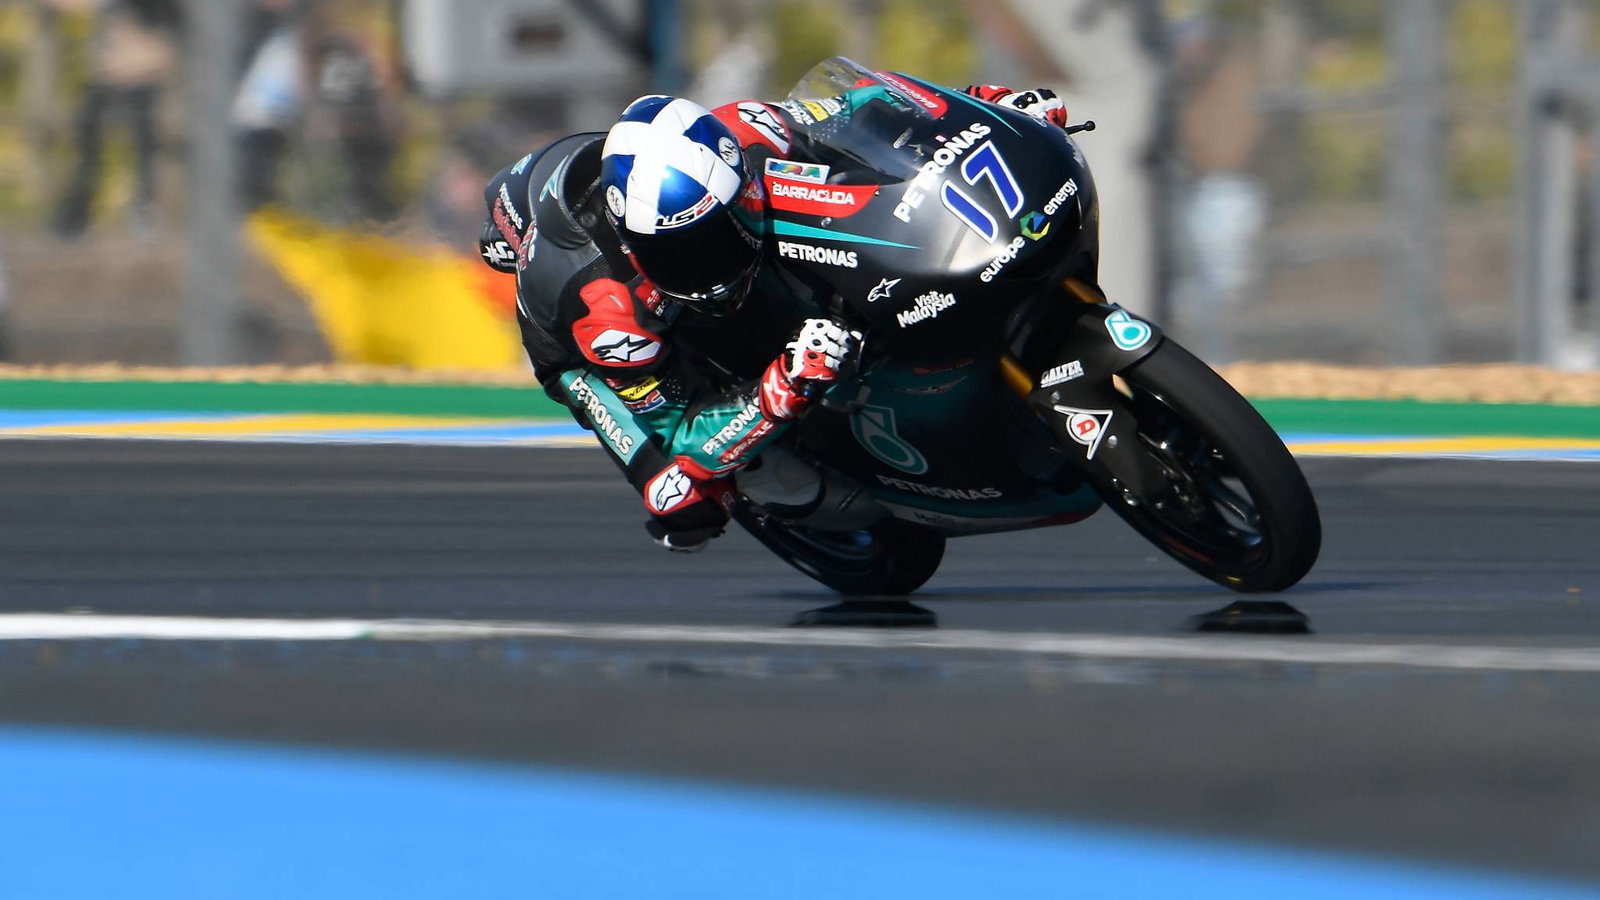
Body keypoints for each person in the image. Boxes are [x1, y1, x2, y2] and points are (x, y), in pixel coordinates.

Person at [477, 77, 1069, 552]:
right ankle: (797, 501)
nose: (704, 267)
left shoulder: (748, 129)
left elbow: (867, 107)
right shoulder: (606, 313)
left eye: (713, 236)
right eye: (676, 254)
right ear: (633, 241)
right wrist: (780, 388)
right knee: (681, 497)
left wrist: (989, 104)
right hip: (583, 350)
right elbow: (679, 431)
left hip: (613, 173)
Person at [51, 0, 182, 237]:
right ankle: (76, 213)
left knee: (145, 141)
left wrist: (140, 62)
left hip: (143, 82)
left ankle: (145, 208)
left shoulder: (162, 9)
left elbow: (165, 51)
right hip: (108, 81)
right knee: (87, 137)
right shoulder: (113, 8)